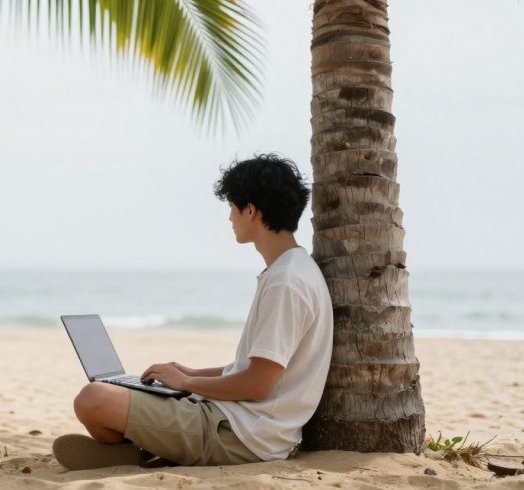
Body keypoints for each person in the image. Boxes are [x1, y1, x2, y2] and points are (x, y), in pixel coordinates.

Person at [53, 154, 333, 470]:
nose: (229, 217)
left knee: (93, 399)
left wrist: (186, 384)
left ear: (251, 210)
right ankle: (141, 451)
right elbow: (254, 369)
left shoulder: (287, 282)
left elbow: (259, 384)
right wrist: (190, 373)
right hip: (239, 423)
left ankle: (139, 452)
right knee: (114, 391)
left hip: (240, 434)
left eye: (231, 207)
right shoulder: (291, 270)